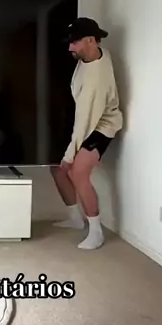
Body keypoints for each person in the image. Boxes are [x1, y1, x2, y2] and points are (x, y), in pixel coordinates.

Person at [51, 17, 123, 250]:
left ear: (91, 40)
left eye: (75, 42)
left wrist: (69, 156)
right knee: (56, 167)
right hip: (86, 118)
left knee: (77, 172)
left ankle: (96, 232)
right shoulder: (97, 52)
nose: (70, 47)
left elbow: (86, 123)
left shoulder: (95, 80)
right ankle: (75, 218)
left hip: (101, 125)